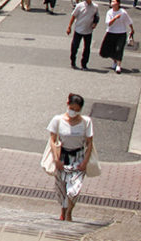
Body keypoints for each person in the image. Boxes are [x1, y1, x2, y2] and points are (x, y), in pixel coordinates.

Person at [45, 93, 96, 222]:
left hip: (78, 157)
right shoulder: (58, 120)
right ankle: (63, 212)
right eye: (72, 108)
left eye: (77, 110)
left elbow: (89, 142)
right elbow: (52, 140)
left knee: (74, 190)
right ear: (68, 105)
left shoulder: (86, 122)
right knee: (61, 188)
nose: (74, 112)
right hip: (62, 156)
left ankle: (69, 212)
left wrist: (85, 161)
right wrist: (56, 160)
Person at [99, 0, 135, 74]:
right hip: (111, 32)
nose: (112, 2)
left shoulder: (123, 12)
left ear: (118, 3)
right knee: (106, 50)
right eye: (111, 1)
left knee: (119, 49)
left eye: (114, 1)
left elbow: (129, 21)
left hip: (121, 33)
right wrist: (115, 18)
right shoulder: (109, 12)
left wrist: (132, 29)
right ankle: (114, 60)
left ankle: (118, 65)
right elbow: (108, 23)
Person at [66, 0, 99, 69]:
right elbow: (73, 16)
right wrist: (69, 27)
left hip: (88, 30)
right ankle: (73, 61)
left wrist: (95, 23)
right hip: (78, 30)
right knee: (74, 47)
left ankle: (84, 64)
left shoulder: (95, 6)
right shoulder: (80, 6)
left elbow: (97, 16)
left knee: (87, 48)